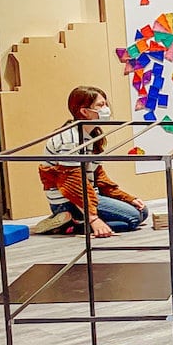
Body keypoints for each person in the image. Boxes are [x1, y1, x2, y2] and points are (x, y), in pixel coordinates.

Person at [31, 86, 148, 237]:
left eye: (106, 104)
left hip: (88, 195)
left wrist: (126, 198)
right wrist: (93, 219)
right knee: (133, 218)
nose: (106, 109)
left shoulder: (91, 135)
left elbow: (99, 177)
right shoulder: (69, 139)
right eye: (100, 105)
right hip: (68, 201)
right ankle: (72, 224)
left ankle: (74, 221)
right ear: (84, 111)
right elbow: (72, 184)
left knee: (142, 211)